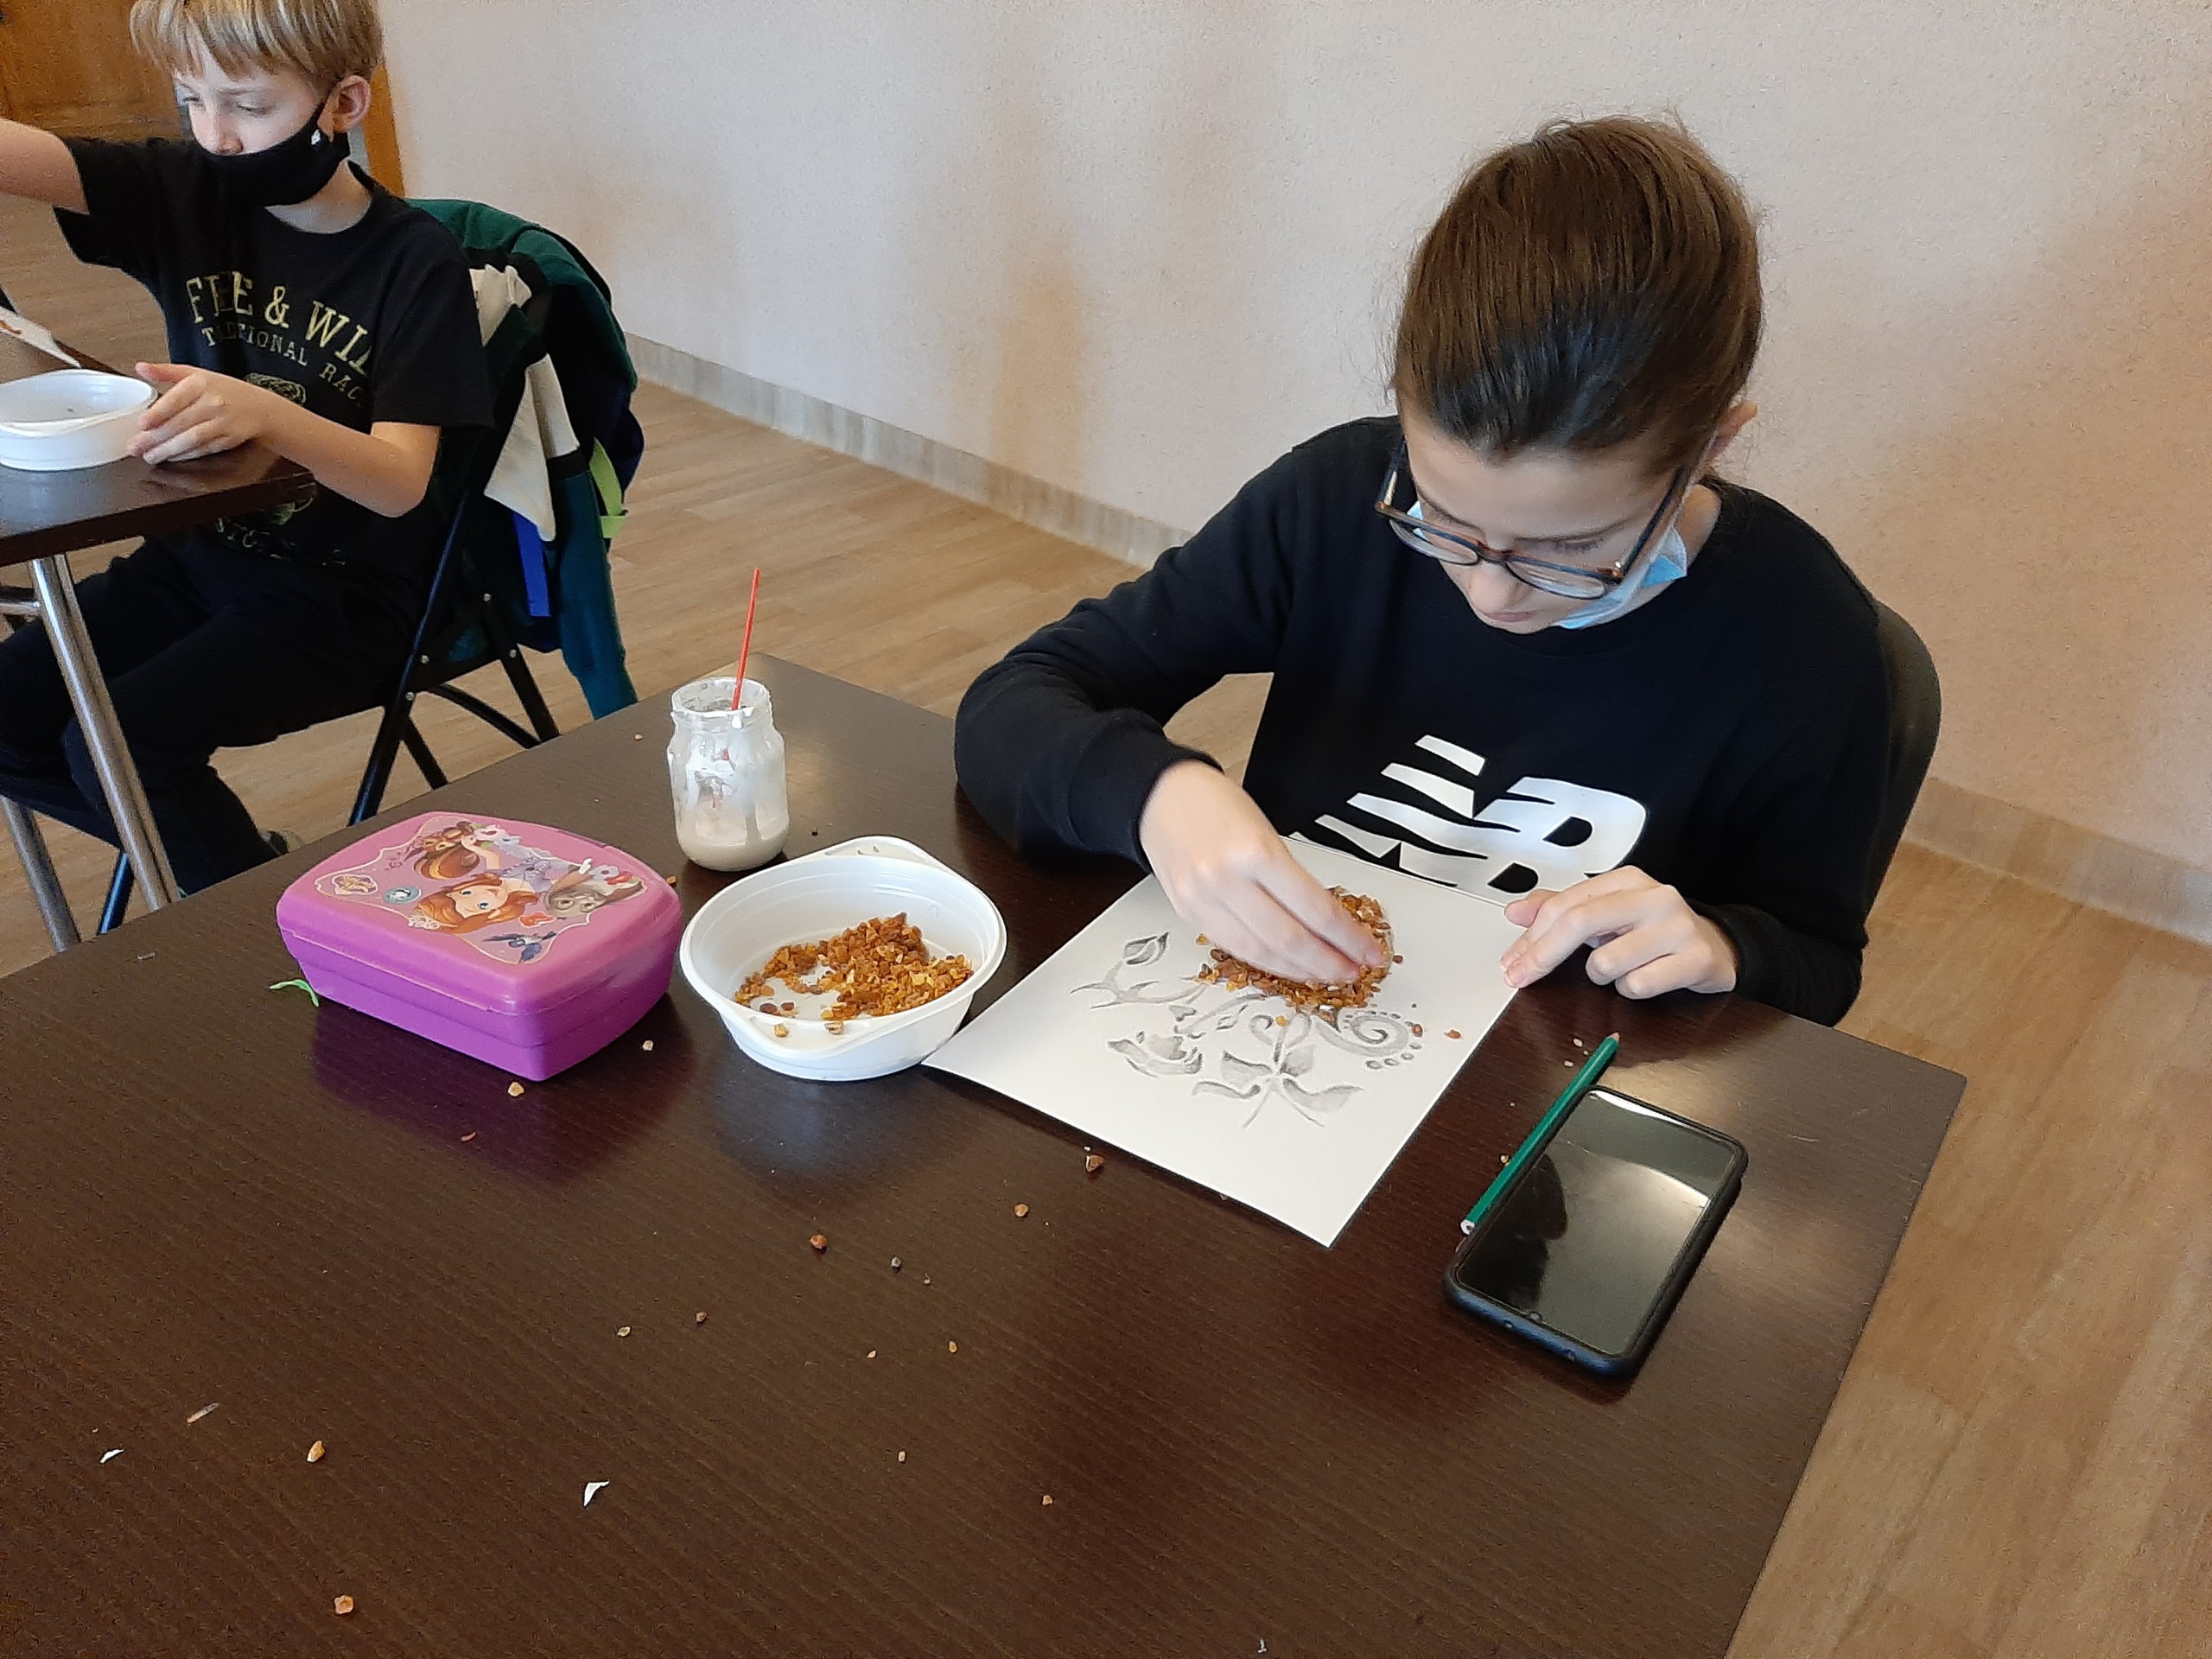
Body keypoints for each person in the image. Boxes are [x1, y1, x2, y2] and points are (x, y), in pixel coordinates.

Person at [955, 117, 1890, 1026]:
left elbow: (1814, 963)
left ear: (1708, 447)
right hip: (1278, 1017)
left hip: (1543, 1073)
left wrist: (1726, 947)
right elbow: (1016, 702)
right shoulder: (1334, 499)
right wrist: (1154, 796)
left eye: (1571, 549)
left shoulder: (1806, 641)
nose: (1490, 593)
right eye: (1441, 520)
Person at [0, 0, 488, 893]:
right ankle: (221, 873)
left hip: (346, 596)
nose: (215, 136)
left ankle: (244, 913)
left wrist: (264, 412)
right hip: (197, 560)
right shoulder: (184, 192)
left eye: (249, 106)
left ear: (344, 102)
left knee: (125, 741)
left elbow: (399, 484)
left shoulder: (414, 261)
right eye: (192, 99)